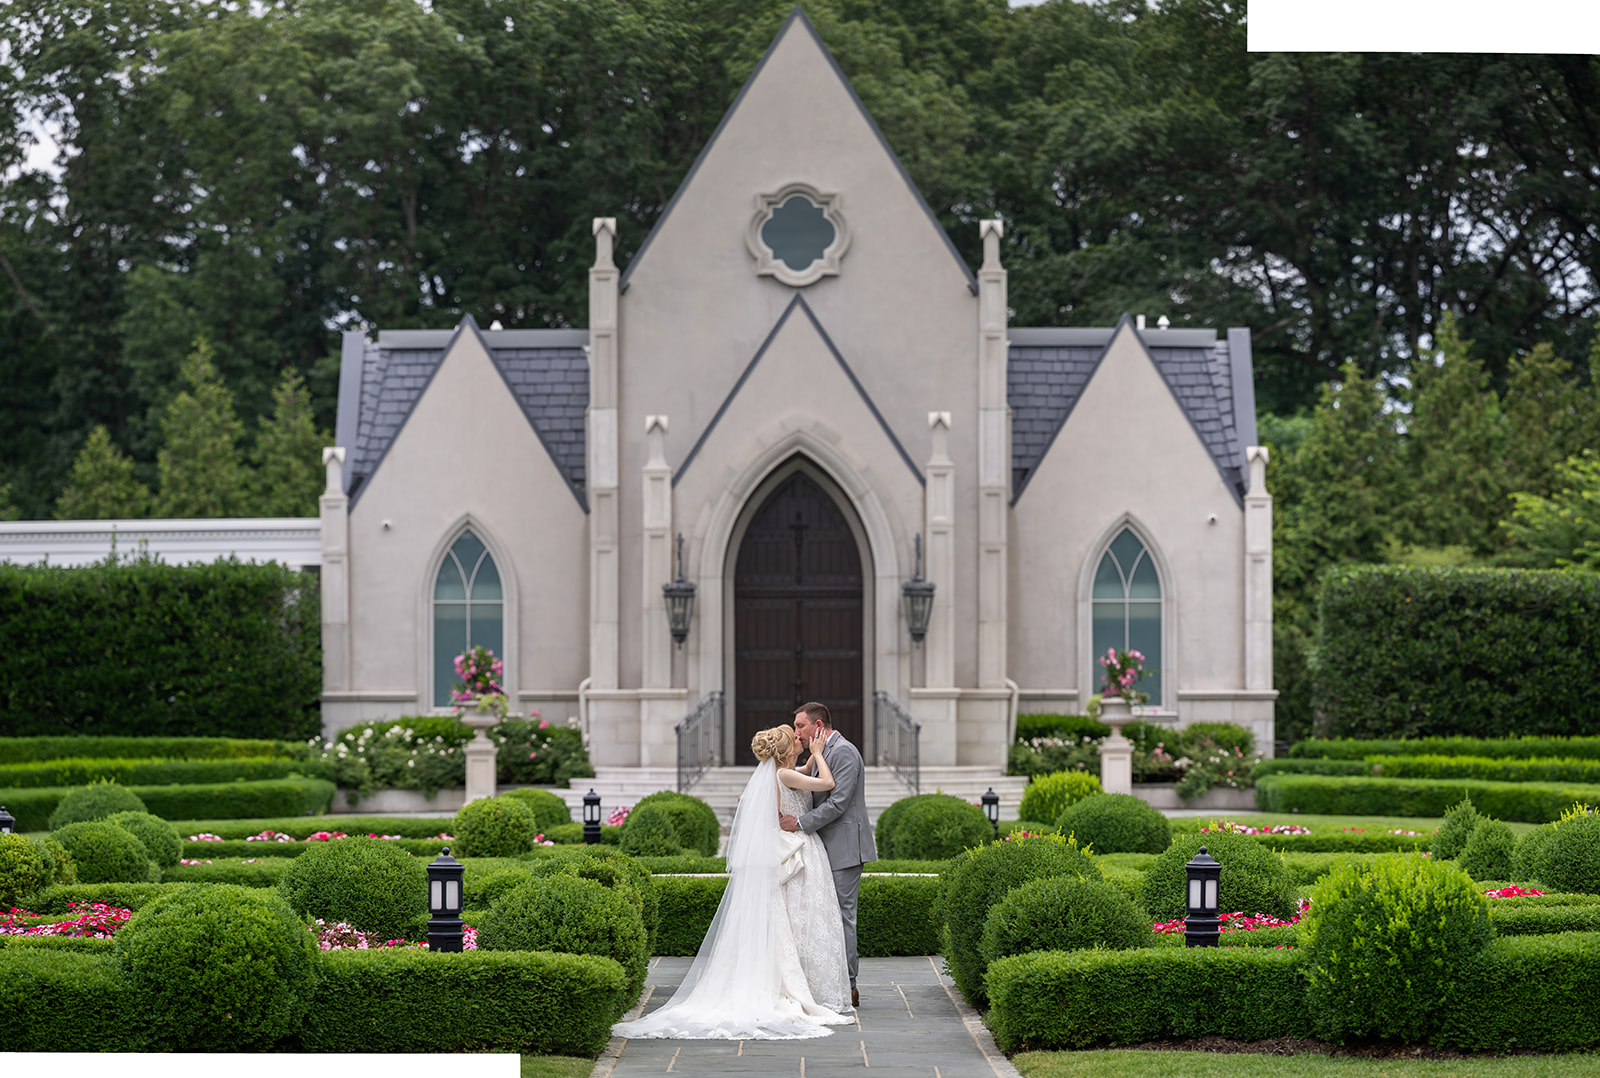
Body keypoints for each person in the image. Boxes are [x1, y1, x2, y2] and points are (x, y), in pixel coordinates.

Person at [610, 725, 853, 1040]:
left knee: (792, 921)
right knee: (791, 922)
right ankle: (790, 987)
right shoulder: (785, 776)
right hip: (794, 846)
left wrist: (811, 756)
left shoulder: (785, 772)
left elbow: (804, 771)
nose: (800, 741)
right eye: (796, 740)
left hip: (794, 847)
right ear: (786, 751)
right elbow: (827, 782)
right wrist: (820, 753)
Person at [780, 701, 877, 1010]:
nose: (797, 732)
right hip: (824, 848)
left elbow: (839, 802)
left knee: (843, 919)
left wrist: (800, 824)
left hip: (845, 849)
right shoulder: (819, 754)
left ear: (818, 726)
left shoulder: (845, 752)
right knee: (826, 918)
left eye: (800, 727)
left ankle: (849, 987)